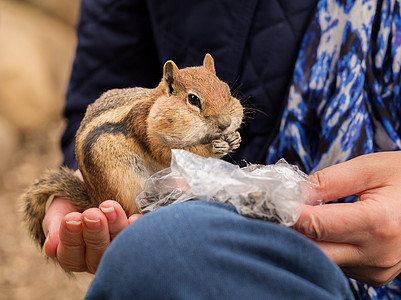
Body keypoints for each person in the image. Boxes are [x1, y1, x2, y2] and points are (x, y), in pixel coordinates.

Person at [41, 0, 401, 298]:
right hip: (176, 199)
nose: (225, 120)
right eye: (197, 103)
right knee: (149, 254)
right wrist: (86, 178)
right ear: (168, 86)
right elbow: (106, 70)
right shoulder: (158, 121)